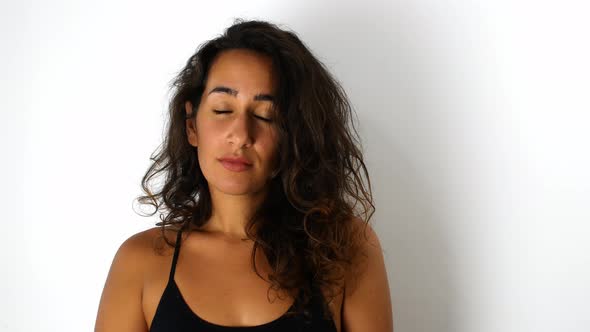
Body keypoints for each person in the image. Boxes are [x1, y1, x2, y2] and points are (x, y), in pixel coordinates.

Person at [94, 18, 393, 332]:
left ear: (293, 135)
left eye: (266, 115)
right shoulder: (139, 262)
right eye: (223, 110)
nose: (240, 135)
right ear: (191, 125)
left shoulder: (344, 247)